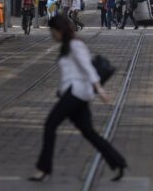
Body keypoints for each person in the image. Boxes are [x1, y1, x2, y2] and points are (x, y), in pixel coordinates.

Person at [31, 15, 126, 182]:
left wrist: (100, 89)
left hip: (75, 94)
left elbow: (88, 68)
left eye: (52, 31)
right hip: (76, 94)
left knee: (50, 124)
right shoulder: (67, 46)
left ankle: (43, 168)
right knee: (89, 132)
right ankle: (118, 162)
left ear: (59, 30)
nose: (51, 34)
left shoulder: (76, 45)